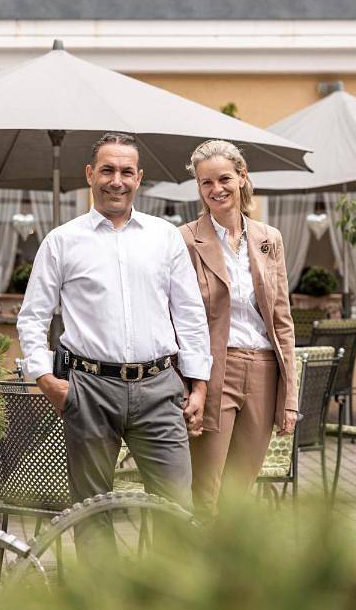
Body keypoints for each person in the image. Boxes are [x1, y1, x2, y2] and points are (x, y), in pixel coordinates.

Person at [17, 132, 211, 543]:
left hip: (160, 388)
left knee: (177, 510)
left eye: (126, 171)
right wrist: (44, 378)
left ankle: (169, 604)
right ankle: (99, 605)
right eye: (107, 170)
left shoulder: (164, 238)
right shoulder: (62, 242)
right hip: (89, 388)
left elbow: (190, 314)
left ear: (139, 178)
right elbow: (33, 317)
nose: (116, 180)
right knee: (91, 512)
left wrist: (199, 384)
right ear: (90, 174)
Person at [181, 139, 298, 519]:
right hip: (215, 370)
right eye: (206, 183)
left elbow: (282, 319)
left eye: (224, 179)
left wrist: (290, 397)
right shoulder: (184, 240)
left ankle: (229, 572)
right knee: (207, 488)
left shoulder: (269, 239)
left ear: (243, 176)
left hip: (264, 370)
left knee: (240, 487)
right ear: (198, 188)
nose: (216, 189)